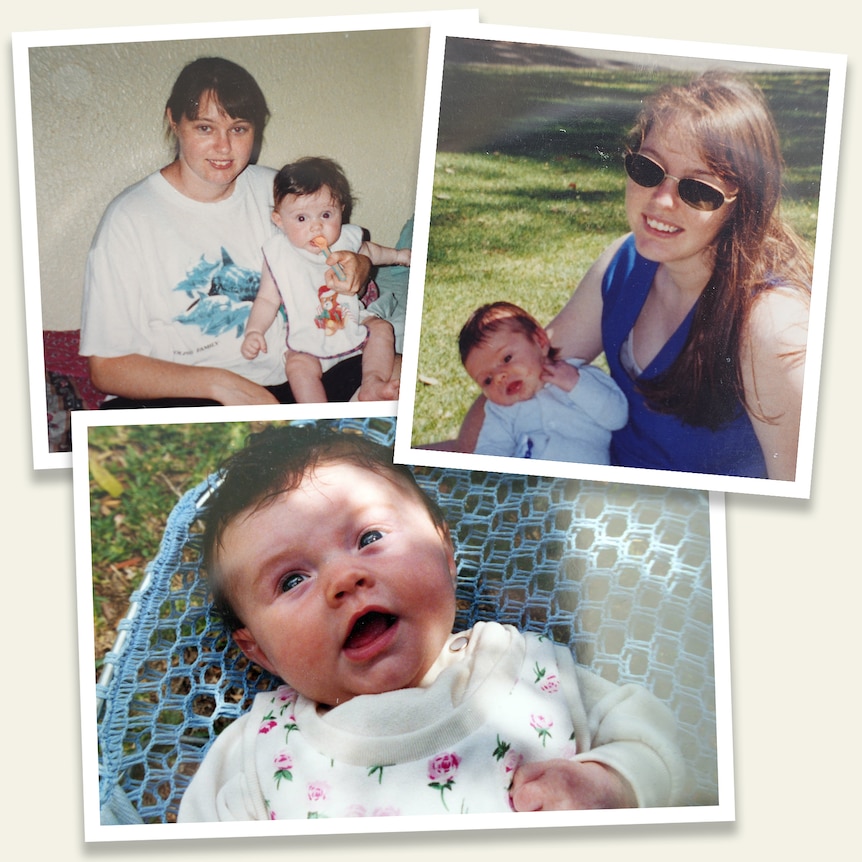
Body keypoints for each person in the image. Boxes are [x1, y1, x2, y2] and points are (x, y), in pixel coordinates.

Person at [177, 424, 685, 821]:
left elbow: (656, 742)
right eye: (291, 581)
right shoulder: (257, 752)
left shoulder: (523, 668)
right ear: (259, 651)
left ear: (444, 551)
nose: (345, 578)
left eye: (370, 537)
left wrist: (612, 783)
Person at [450, 72, 812, 480]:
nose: (660, 201)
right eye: (647, 168)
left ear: (744, 201)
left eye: (698, 189)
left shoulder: (773, 327)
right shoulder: (624, 262)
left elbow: (796, 499)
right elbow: (526, 363)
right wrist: (468, 458)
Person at [79, 57, 373, 408]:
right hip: (191, 393)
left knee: (395, 370)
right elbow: (107, 368)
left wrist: (360, 266)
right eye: (205, 128)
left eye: (238, 129)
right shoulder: (129, 219)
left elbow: (343, 252)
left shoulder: (278, 192)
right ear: (174, 121)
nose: (223, 147)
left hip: (296, 377)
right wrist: (222, 385)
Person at [241, 157, 409, 402]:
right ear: (279, 220)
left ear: (342, 210)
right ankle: (316, 414)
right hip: (308, 331)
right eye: (301, 218)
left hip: (351, 319)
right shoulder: (280, 254)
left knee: (382, 329)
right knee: (297, 366)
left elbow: (372, 253)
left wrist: (400, 256)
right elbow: (266, 299)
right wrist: (254, 331)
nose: (316, 227)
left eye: (326, 215)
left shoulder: (345, 241)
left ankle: (373, 382)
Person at [459, 301, 627, 463]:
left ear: (540, 341)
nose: (500, 377)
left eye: (507, 358)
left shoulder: (581, 377)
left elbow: (617, 417)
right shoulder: (502, 410)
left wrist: (576, 384)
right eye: (487, 380)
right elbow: (492, 449)